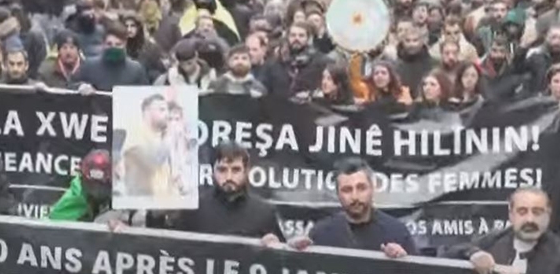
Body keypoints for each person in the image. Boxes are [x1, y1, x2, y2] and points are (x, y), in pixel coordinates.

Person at [151, 141, 284, 243]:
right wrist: (156, 217)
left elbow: (284, 259)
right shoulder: (195, 209)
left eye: (236, 170)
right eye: (222, 169)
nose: (229, 177)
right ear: (212, 172)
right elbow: (167, 249)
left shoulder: (264, 212)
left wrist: (276, 246)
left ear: (246, 171)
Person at [291, 158, 416, 258]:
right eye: (347, 190)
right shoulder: (321, 234)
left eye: (361, 188)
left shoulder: (396, 232)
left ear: (372, 188)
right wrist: (292, 254)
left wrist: (404, 261)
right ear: (337, 194)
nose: (355, 197)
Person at [447, 187, 560, 274]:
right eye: (522, 211)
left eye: (537, 212)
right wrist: (475, 254)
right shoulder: (496, 238)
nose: (529, 219)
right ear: (511, 215)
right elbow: (453, 251)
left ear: (548, 215)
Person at [120, 94, 174, 197]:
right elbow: (153, 162)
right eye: (161, 110)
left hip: (161, 202)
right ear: (147, 112)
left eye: (167, 110)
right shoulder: (135, 135)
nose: (167, 115)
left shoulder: (160, 137)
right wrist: (169, 137)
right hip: (141, 202)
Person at [73, 24, 149, 92]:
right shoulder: (89, 66)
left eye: (118, 44)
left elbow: (145, 95)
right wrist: (81, 86)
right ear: (103, 44)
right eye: (109, 44)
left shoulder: (136, 70)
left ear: (125, 44)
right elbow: (70, 85)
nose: (113, 48)